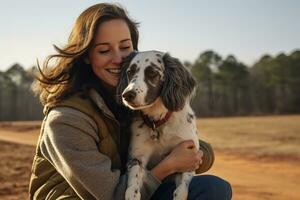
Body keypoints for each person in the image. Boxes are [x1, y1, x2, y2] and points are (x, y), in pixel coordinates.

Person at [29, 3, 232, 200]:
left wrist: (192, 156)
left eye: (125, 47)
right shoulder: (66, 120)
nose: (118, 59)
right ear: (86, 56)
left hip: (135, 189)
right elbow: (111, 195)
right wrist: (170, 165)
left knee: (211, 188)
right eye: (104, 50)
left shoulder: (133, 97)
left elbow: (197, 150)